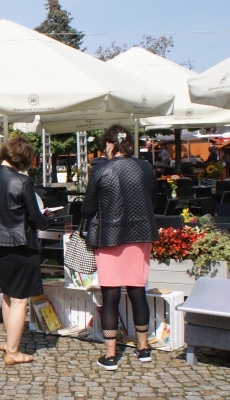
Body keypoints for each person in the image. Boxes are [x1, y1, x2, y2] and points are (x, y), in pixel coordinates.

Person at [82, 124, 159, 371]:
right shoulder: (145, 167)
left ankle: (111, 355)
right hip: (140, 235)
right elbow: (153, 200)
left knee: (111, 296)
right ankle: (144, 348)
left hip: (110, 237)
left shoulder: (102, 170)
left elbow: (87, 208)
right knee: (138, 292)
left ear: (109, 144)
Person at [0, 137, 50, 366]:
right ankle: (14, 352)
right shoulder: (23, 182)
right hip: (21, 245)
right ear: (25, 159)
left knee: (8, 295)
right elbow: (36, 219)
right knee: (19, 300)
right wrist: (46, 219)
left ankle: (10, 343)